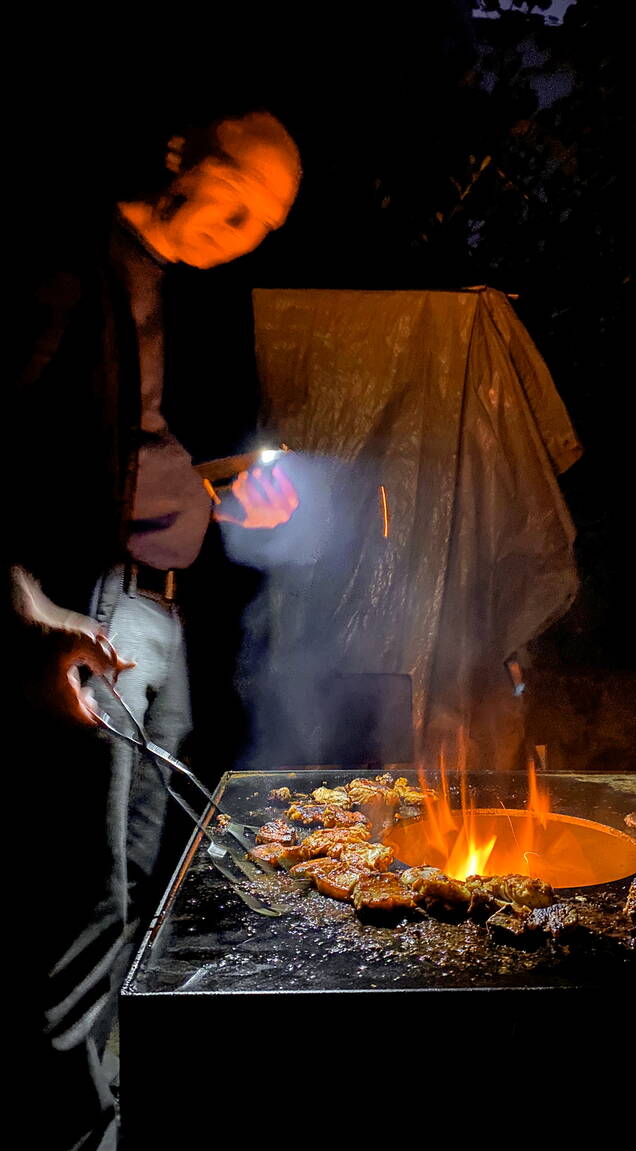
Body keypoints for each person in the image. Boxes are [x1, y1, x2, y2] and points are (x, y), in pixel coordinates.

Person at [10, 107, 301, 1150]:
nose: (248, 229)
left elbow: (137, 443)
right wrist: (25, 612)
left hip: (154, 612)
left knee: (140, 888)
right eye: (239, 194)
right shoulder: (60, 260)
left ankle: (118, 1103)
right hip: (84, 611)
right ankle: (75, 1130)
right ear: (180, 151)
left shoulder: (166, 280)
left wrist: (221, 502)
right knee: (81, 905)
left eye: (268, 220)